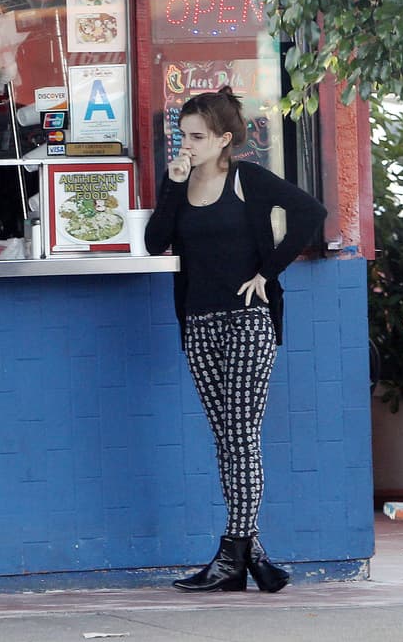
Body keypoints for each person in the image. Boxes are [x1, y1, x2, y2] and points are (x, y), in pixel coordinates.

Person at [144, 87, 326, 593]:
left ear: (224, 139)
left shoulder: (247, 179)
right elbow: (156, 243)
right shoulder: (180, 181)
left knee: (242, 434)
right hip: (198, 323)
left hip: (248, 320)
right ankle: (253, 558)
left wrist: (268, 272)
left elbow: (311, 213)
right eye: (182, 136)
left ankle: (231, 552)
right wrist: (172, 186)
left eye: (198, 137)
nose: (187, 145)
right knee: (227, 440)